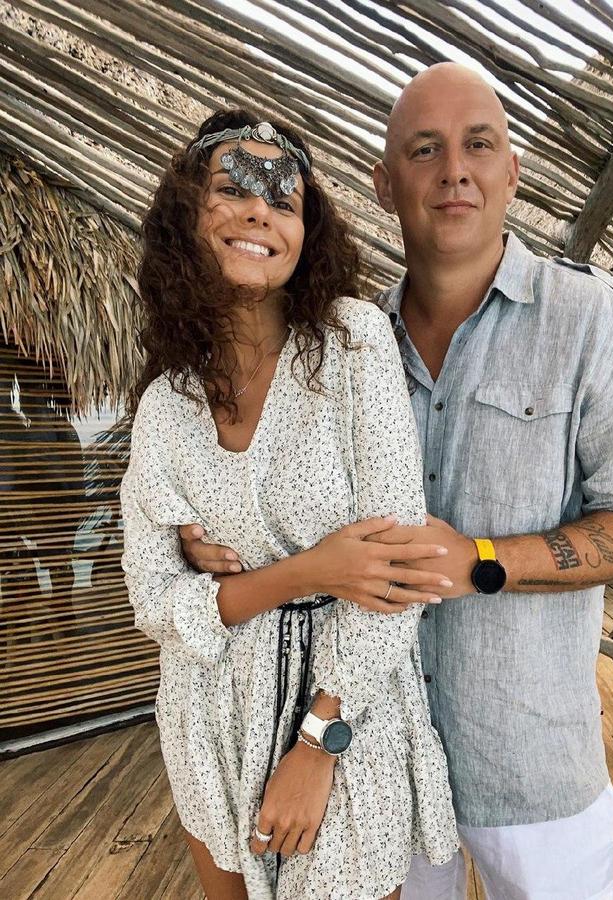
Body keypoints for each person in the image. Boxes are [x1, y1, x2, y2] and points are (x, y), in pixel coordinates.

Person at [182, 66, 613, 900]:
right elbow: (272, 493)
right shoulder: (336, 349)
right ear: (385, 184)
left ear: (512, 172)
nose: (455, 169)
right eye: (425, 150)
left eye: (478, 145)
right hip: (376, 765)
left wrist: (484, 561)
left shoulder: (593, 323)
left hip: (531, 770)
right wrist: (201, 529)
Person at [120, 109, 458, 900]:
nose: (257, 213)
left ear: (308, 234)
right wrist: (310, 571)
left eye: (283, 201)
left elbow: (401, 570)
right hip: (209, 718)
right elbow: (152, 599)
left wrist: (317, 743)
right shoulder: (167, 404)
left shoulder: (351, 344)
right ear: (186, 213)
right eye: (232, 190)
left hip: (344, 715)